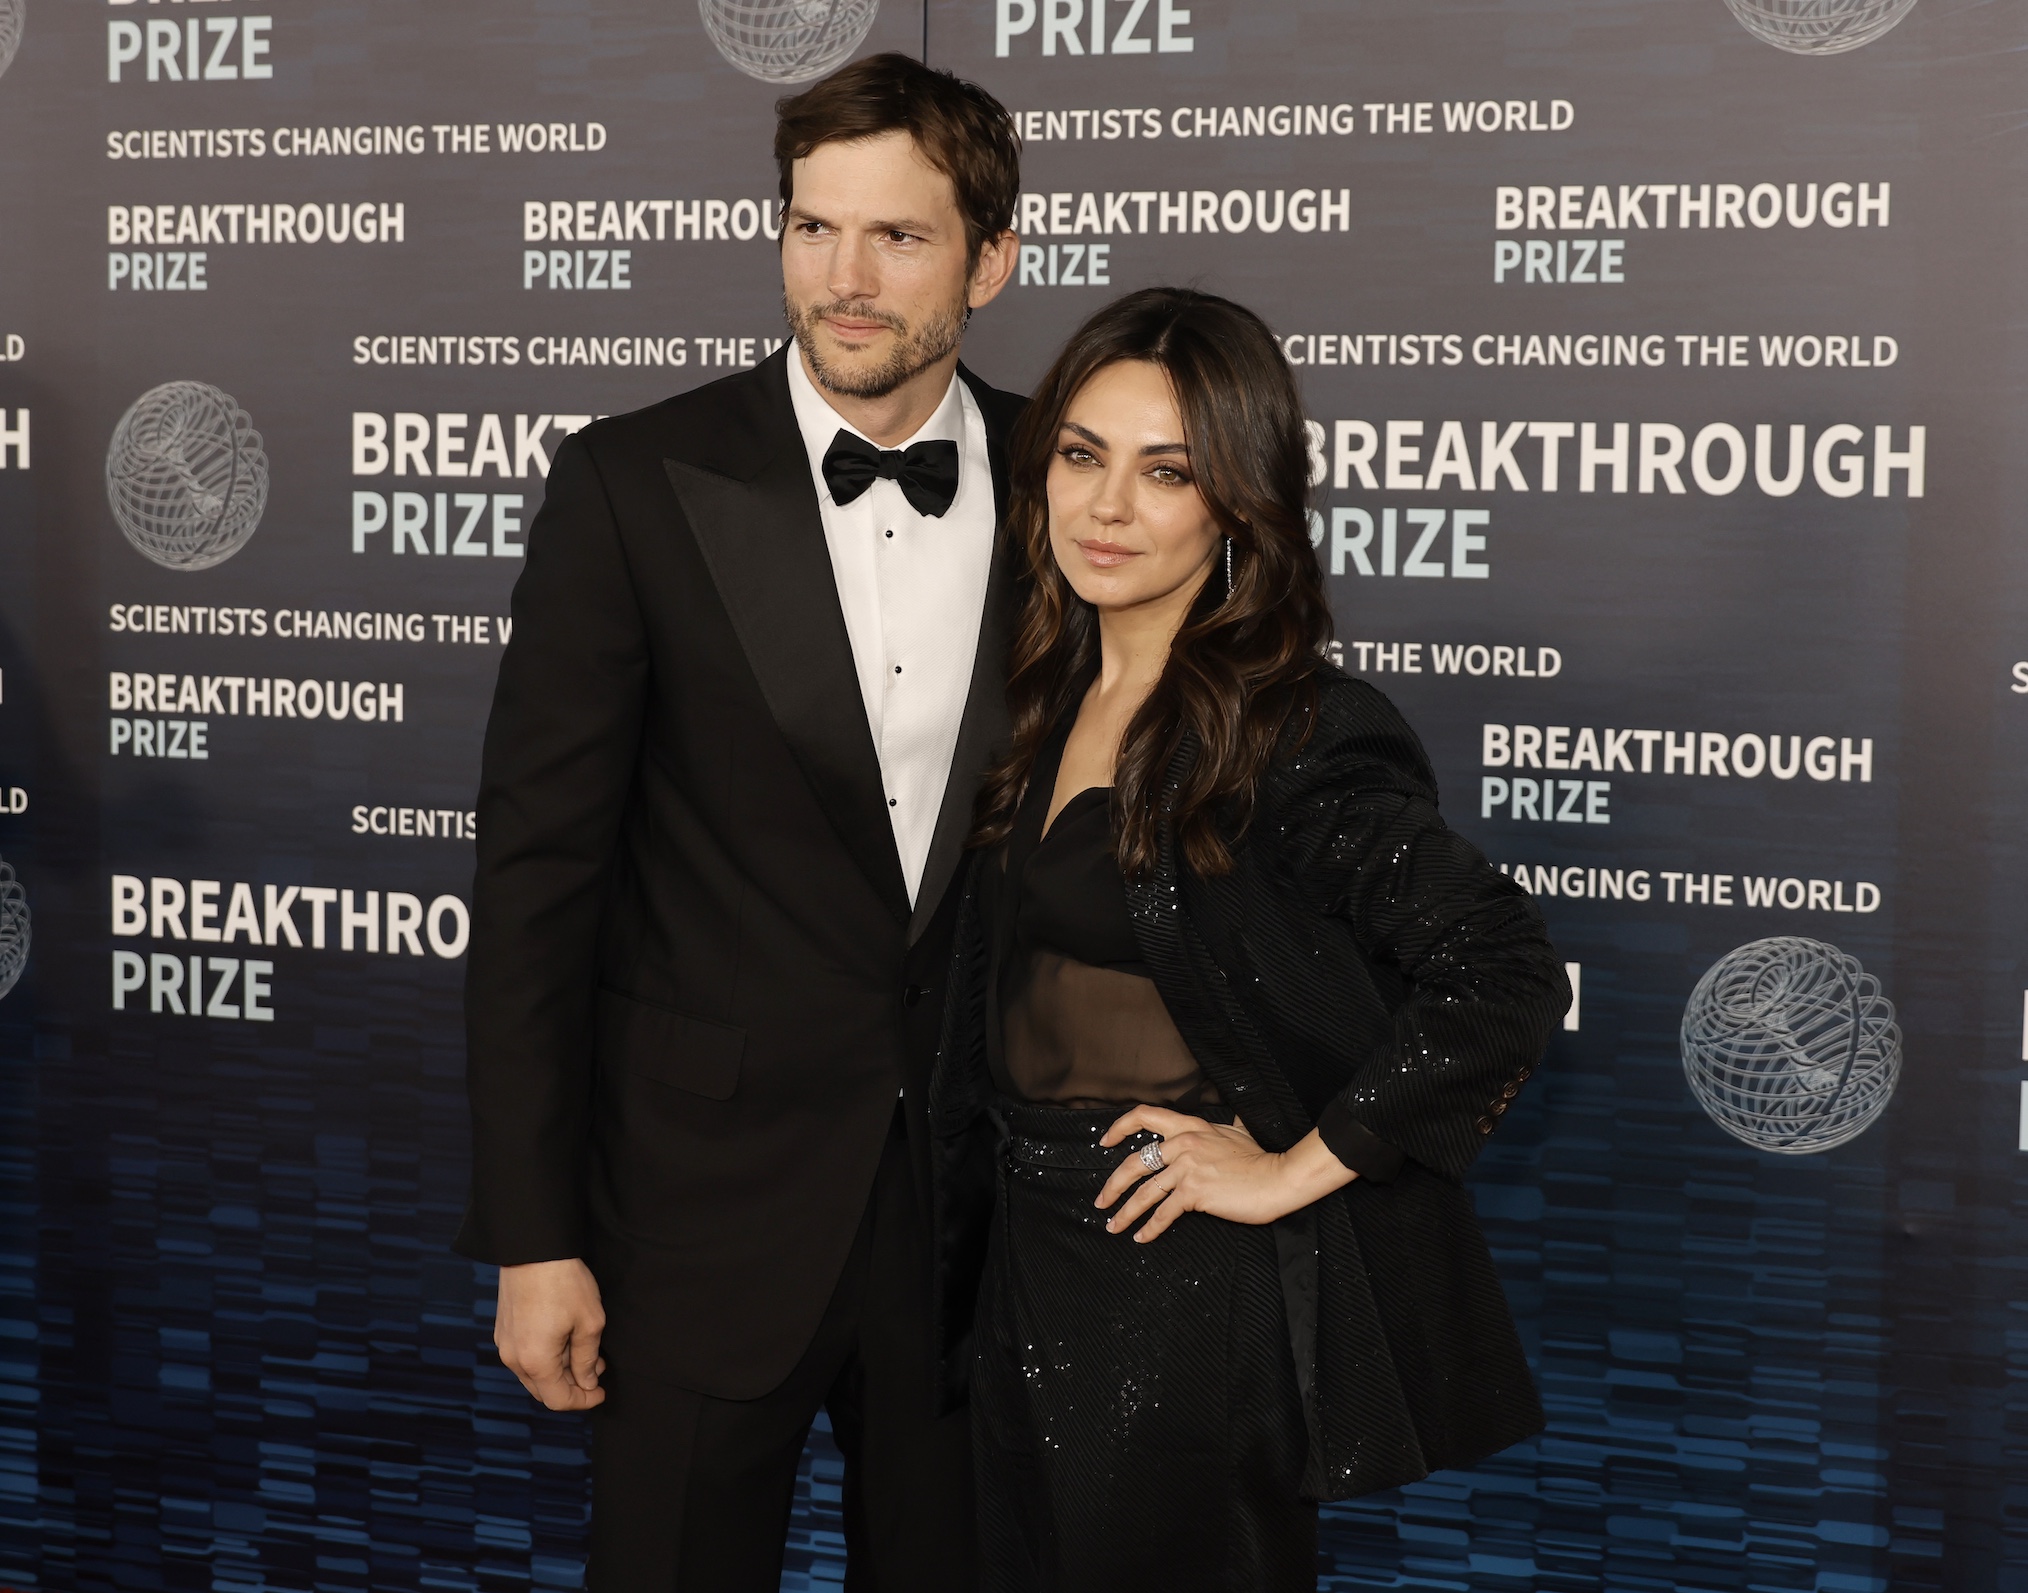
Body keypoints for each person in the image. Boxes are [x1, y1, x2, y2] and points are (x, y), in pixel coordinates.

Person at [454, 53, 1026, 1590]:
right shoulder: (636, 484)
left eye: (898, 237)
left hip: (981, 1230)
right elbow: (536, 883)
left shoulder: (1071, 489)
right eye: (811, 226)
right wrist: (534, 1231)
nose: (843, 279)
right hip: (693, 1220)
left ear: (993, 255)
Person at [929, 287, 1571, 1591]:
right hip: (1021, 1263)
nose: (1106, 507)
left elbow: (1500, 975)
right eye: (1082, 454)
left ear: (1238, 502)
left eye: (1166, 471)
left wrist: (1287, 1166)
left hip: (1185, 1298)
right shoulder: (1041, 690)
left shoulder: (1294, 732)